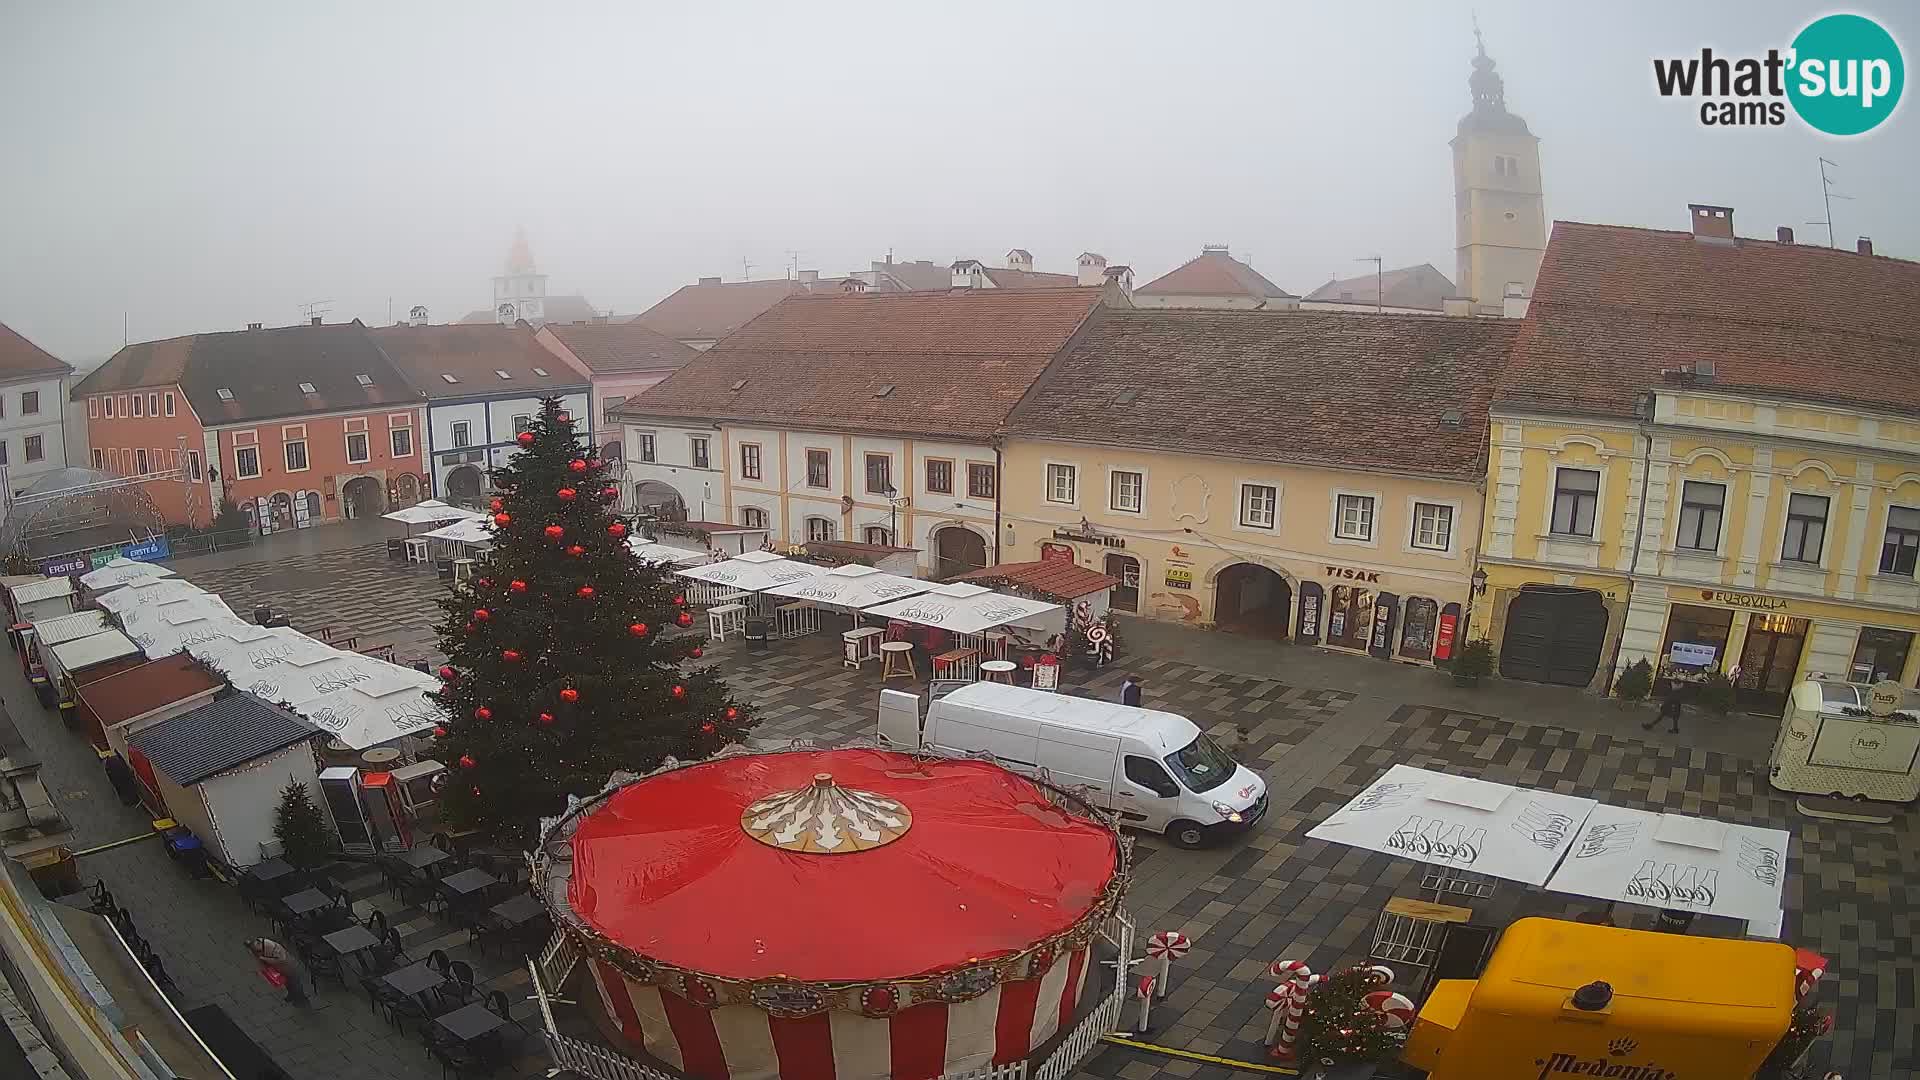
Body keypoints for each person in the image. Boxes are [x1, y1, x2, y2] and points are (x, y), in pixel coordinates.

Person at [245, 937, 308, 1006]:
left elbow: (282, 959)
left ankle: (301, 1000)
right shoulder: (257, 947)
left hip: (289, 968)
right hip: (281, 969)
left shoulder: (271, 946)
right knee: (288, 984)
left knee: (295, 984)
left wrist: (265, 959)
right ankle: (291, 995)